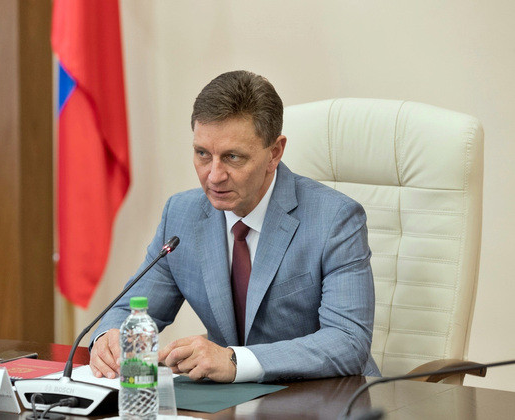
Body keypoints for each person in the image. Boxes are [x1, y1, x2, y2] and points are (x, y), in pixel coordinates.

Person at [89, 70, 380, 383]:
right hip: (228, 401)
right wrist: (110, 337)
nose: (214, 176)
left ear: (274, 153)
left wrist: (234, 361)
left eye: (233, 157)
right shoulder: (182, 215)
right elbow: (134, 309)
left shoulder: (335, 219)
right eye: (203, 154)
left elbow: (348, 342)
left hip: (325, 396)